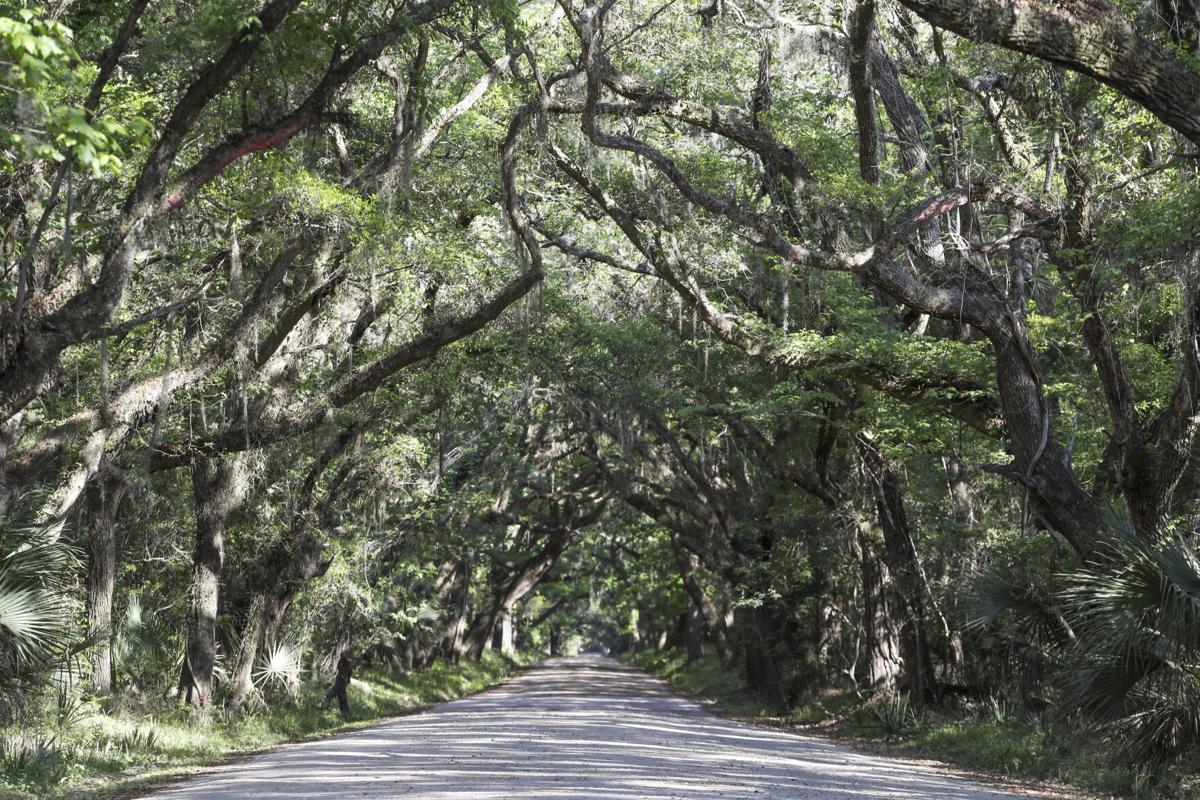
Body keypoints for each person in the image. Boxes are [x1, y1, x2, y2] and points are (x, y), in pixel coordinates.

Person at [321, 650, 352, 718]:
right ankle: (346, 715)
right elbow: (349, 674)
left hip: (338, 683)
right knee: (342, 700)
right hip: (340, 683)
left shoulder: (338, 661)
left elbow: (348, 674)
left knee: (330, 697)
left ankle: (323, 710)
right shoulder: (343, 662)